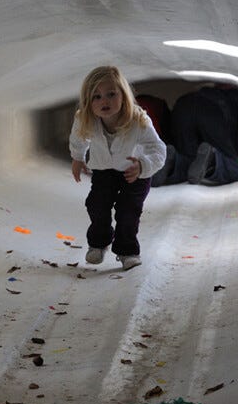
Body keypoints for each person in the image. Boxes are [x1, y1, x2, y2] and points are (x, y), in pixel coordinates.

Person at [69, 66, 166, 270]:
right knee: (96, 204)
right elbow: (79, 139)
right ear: (88, 102)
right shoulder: (86, 119)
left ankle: (127, 250)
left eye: (111, 94)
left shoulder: (138, 120)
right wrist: (77, 158)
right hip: (104, 171)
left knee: (128, 210)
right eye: (96, 97)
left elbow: (158, 149)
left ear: (123, 95)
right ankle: (98, 243)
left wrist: (143, 165)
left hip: (135, 173)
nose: (104, 101)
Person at [152, 85, 238, 186]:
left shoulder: (227, 93)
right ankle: (212, 160)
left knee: (189, 159)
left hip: (183, 105)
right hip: (211, 113)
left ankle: (173, 162)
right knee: (235, 167)